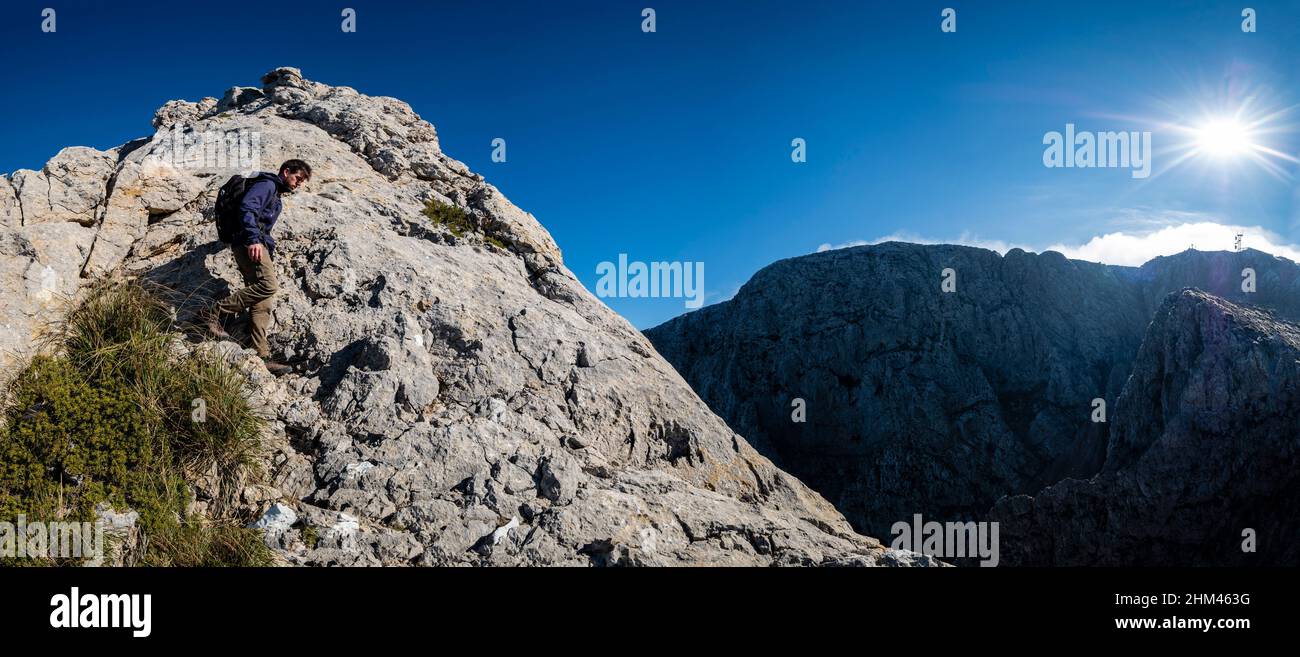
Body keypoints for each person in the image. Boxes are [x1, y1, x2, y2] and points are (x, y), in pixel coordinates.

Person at [202, 159, 311, 375]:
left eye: (302, 182)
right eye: (297, 178)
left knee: (263, 302)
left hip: (255, 243)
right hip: (248, 243)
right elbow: (247, 207)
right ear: (286, 171)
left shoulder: (276, 194)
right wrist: (253, 239)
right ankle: (213, 311)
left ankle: (261, 354)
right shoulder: (268, 185)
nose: (299, 184)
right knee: (269, 285)